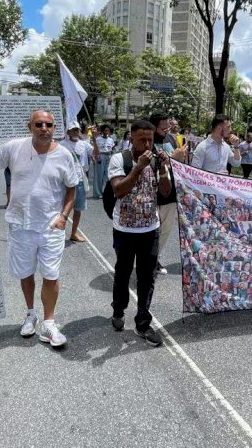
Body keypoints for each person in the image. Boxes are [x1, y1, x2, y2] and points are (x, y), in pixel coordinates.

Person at [0, 110, 78, 346]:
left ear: (54, 128)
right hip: (20, 225)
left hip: (51, 227)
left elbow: (72, 188)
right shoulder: (14, 147)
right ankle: (31, 313)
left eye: (49, 124)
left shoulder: (65, 155)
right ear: (29, 126)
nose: (44, 128)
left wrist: (63, 216)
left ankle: (49, 323)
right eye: (38, 124)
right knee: (26, 273)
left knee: (51, 274)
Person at [108, 120, 171, 346]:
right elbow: (119, 190)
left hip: (150, 229)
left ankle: (142, 322)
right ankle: (118, 309)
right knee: (123, 273)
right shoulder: (120, 159)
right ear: (131, 139)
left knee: (147, 277)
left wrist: (163, 169)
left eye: (150, 140)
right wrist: (138, 167)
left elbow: (165, 192)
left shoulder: (156, 160)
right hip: (124, 229)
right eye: (141, 139)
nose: (146, 144)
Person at [150, 113, 187, 275]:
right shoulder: (148, 141)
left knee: (165, 230)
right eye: (163, 128)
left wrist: (180, 158)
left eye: (168, 127)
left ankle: (154, 258)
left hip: (172, 193)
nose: (167, 130)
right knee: (152, 230)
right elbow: (151, 165)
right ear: (153, 127)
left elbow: (177, 164)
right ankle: (147, 259)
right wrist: (173, 158)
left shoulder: (171, 140)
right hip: (154, 194)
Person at [60, 120, 93, 242]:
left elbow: (96, 153)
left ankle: (73, 234)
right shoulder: (61, 144)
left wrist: (94, 137)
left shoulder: (84, 144)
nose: (75, 131)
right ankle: (59, 234)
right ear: (68, 131)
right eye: (73, 129)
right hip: (64, 181)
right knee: (62, 208)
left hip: (79, 181)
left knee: (78, 209)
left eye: (77, 129)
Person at [91, 124, 115, 198]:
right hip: (100, 156)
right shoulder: (98, 139)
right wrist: (95, 157)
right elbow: (95, 149)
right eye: (105, 130)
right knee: (99, 175)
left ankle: (107, 192)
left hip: (109, 156)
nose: (106, 132)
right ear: (102, 131)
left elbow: (113, 149)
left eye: (108, 130)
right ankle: (98, 193)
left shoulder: (111, 140)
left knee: (108, 175)